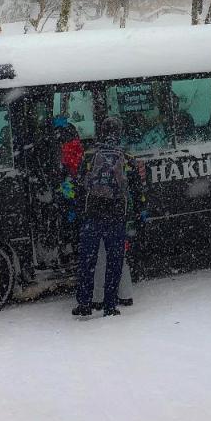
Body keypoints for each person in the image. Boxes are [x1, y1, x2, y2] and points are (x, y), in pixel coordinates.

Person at [72, 116, 143, 318]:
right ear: (119, 133)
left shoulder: (89, 156)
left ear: (101, 132)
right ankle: (110, 306)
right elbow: (137, 189)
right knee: (114, 262)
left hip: (93, 215)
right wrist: (139, 213)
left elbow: (77, 187)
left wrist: (78, 212)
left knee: (87, 262)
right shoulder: (126, 157)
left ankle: (85, 303)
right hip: (116, 216)